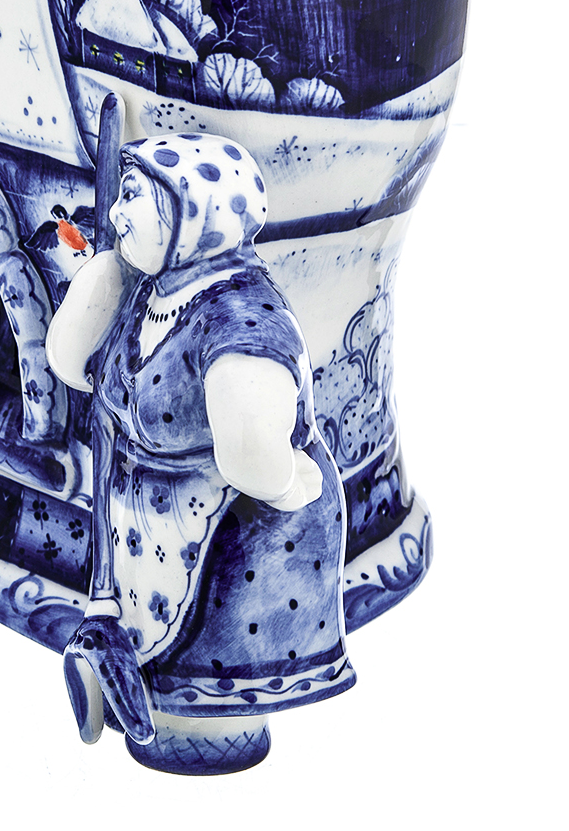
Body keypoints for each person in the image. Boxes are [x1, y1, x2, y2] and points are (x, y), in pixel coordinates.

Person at [47, 134, 353, 774]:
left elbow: (250, 454)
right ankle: (113, 670)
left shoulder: (237, 319)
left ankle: (173, 715)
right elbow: (75, 366)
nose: (116, 213)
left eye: (135, 198)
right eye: (122, 194)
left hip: (239, 536)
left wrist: (288, 482)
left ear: (194, 218)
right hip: (153, 524)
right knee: (150, 639)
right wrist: (101, 278)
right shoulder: (151, 290)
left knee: (205, 677)